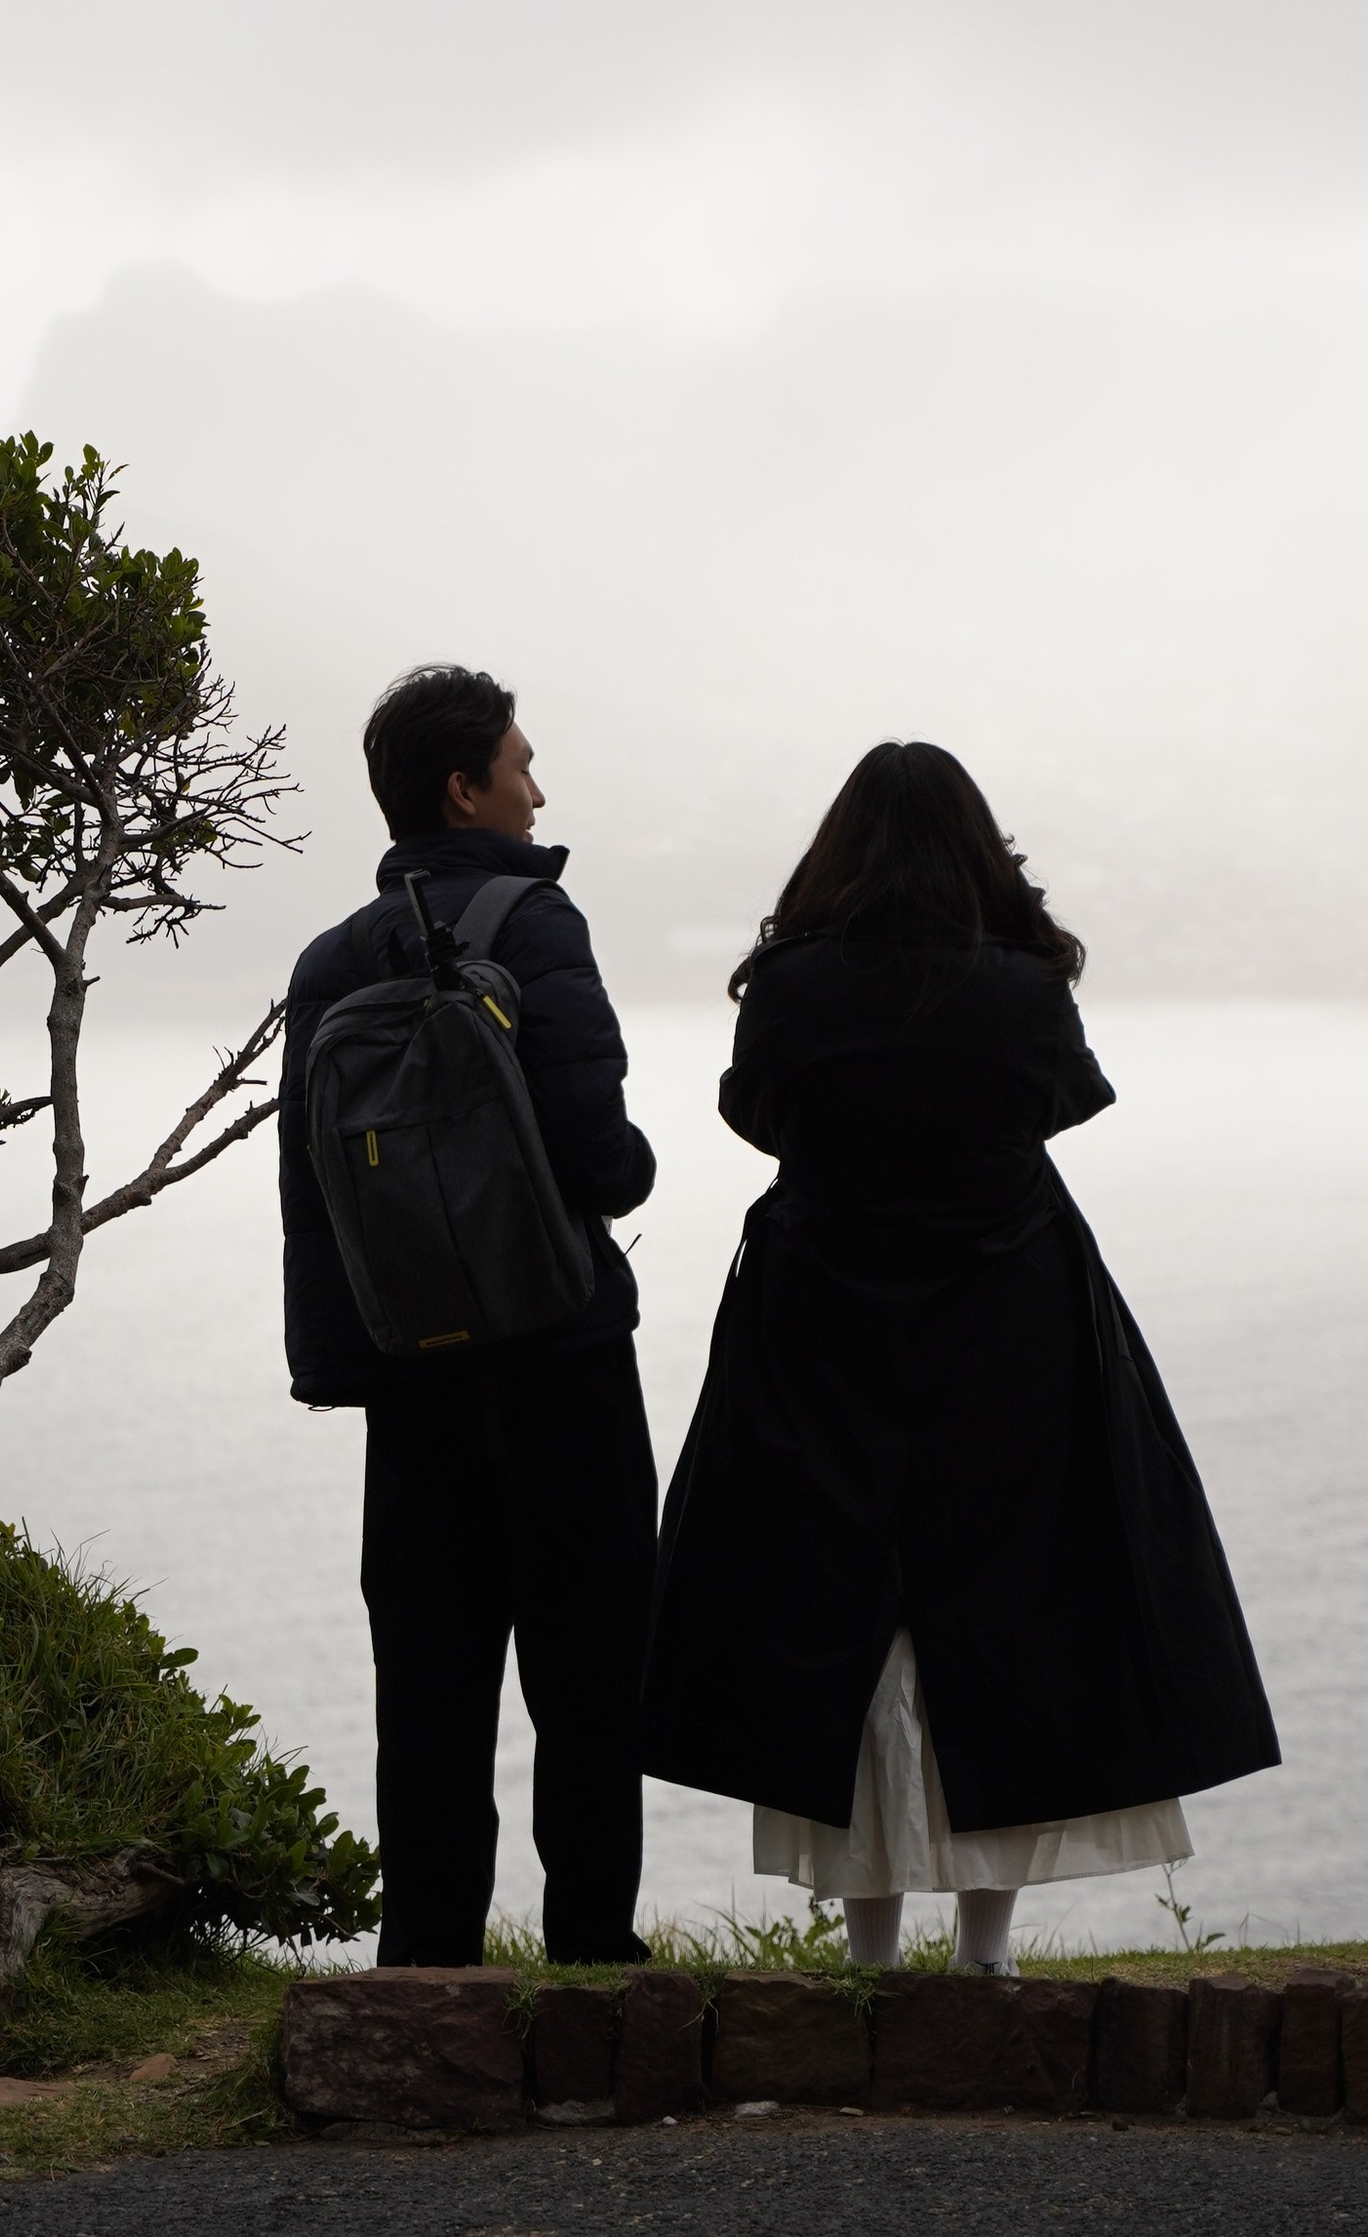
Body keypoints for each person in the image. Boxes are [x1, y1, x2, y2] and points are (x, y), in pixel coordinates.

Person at [642, 740, 1278, 1972]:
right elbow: (1068, 1101)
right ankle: (985, 1952)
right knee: (1011, 1610)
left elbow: (752, 1113)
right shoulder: (1023, 986)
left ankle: (870, 1956)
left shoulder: (789, 985)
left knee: (843, 1616)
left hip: (821, 1319)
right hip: (1009, 1320)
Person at [279, 664, 658, 1967]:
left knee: (430, 1689)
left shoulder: (330, 962)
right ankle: (593, 1963)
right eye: (520, 764)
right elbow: (599, 1157)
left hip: (413, 1384)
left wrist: (344, 1366)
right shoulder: (536, 924)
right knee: (591, 1674)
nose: (536, 787)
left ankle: (426, 1969)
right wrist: (637, 1172)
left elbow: (313, 1204)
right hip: (559, 1358)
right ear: (466, 787)